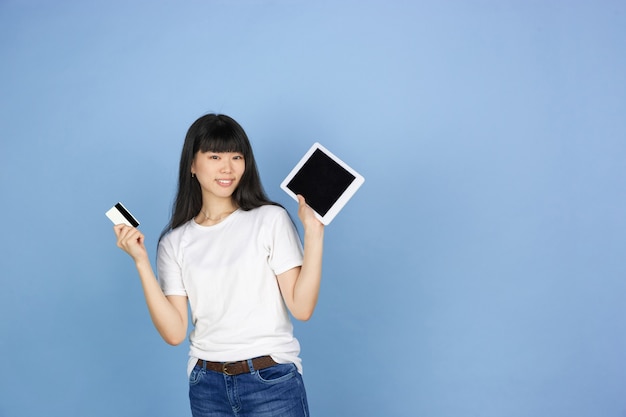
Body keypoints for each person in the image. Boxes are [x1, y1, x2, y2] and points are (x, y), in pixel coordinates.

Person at [113, 113, 324, 417]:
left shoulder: (269, 219)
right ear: (192, 165)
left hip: (271, 380)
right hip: (207, 385)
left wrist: (314, 233)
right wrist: (141, 261)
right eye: (214, 156)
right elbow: (174, 332)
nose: (227, 167)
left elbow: (302, 308)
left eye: (236, 156)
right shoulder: (174, 243)